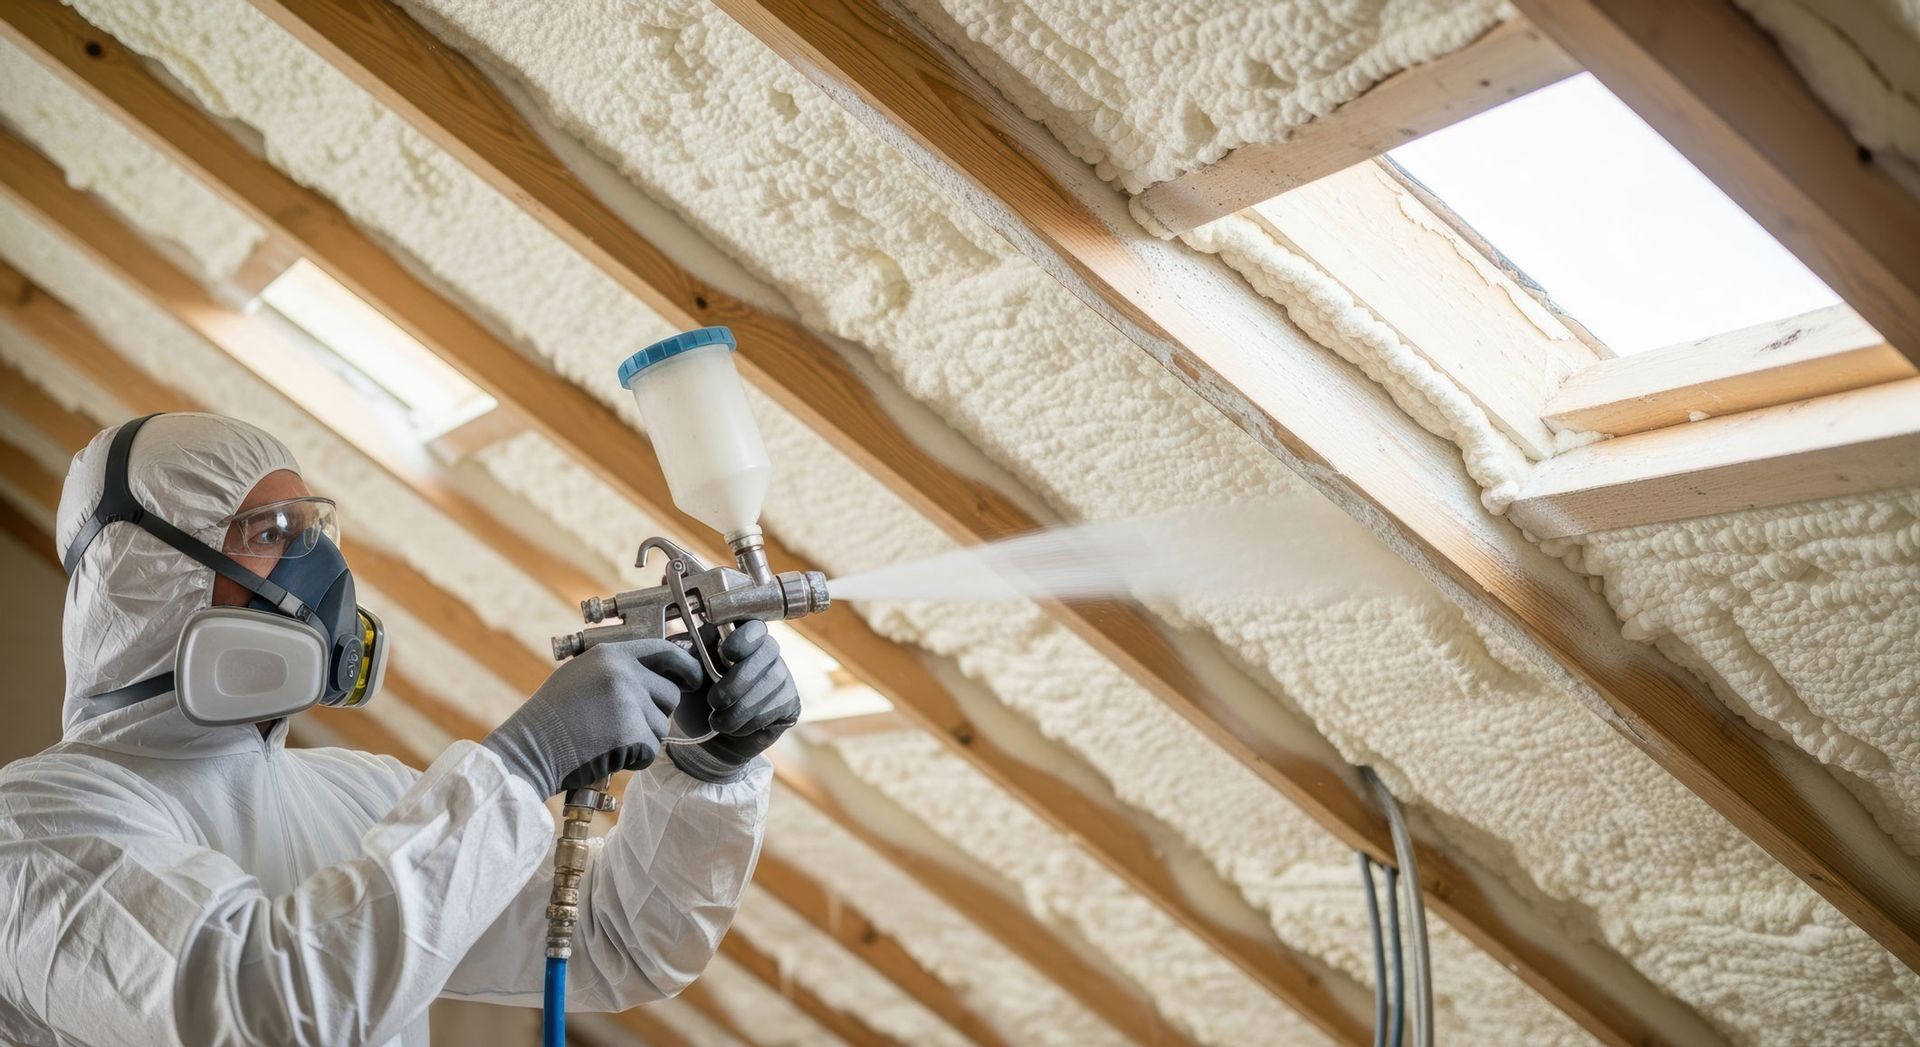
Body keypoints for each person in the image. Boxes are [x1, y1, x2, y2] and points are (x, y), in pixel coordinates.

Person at [0, 413, 802, 1046]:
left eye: (314, 531)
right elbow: (276, 1012)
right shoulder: (35, 827)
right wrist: (520, 766)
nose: (323, 573)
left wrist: (706, 773)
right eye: (272, 533)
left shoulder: (363, 795)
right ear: (155, 574)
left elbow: (611, 943)